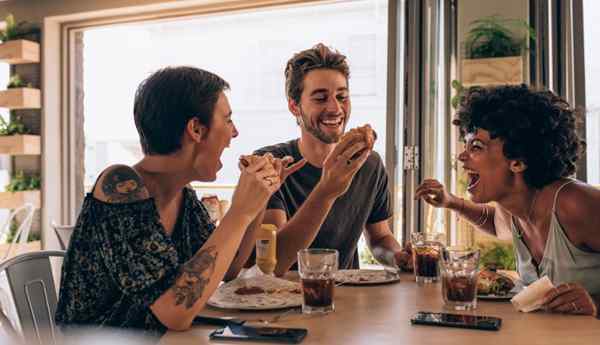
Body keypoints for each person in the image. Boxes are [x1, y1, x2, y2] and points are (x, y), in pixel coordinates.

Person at [55, 66, 302, 334]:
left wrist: (260, 197)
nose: (235, 133)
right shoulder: (119, 186)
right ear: (196, 129)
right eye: (228, 120)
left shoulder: (183, 196)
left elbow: (228, 268)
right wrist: (239, 211)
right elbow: (175, 312)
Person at [415, 84, 600, 317]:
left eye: (476, 147)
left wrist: (596, 303)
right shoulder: (515, 209)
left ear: (518, 161)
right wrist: (451, 202)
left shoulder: (576, 204)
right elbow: (494, 222)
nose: (462, 156)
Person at [253, 43, 406, 275]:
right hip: (282, 298)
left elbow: (380, 237)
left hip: (345, 299)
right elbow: (273, 258)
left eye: (342, 96)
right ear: (295, 107)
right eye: (320, 98)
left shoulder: (369, 163)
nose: (335, 108)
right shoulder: (271, 164)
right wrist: (327, 189)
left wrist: (398, 257)